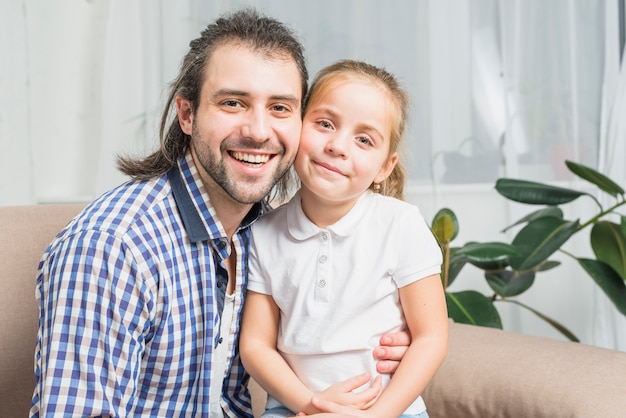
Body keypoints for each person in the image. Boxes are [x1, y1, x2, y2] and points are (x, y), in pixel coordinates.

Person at [30, 9, 410, 418]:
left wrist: (385, 342)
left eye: (280, 108)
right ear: (187, 114)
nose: (260, 131)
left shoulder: (264, 230)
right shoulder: (115, 249)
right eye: (233, 102)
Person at [240, 60, 449, 418]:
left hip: (389, 411)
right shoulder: (262, 232)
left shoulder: (401, 225)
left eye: (364, 139)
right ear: (297, 127)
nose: (338, 146)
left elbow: (431, 337)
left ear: (385, 167)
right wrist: (312, 406)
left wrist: (376, 415)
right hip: (294, 409)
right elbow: (256, 345)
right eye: (325, 124)